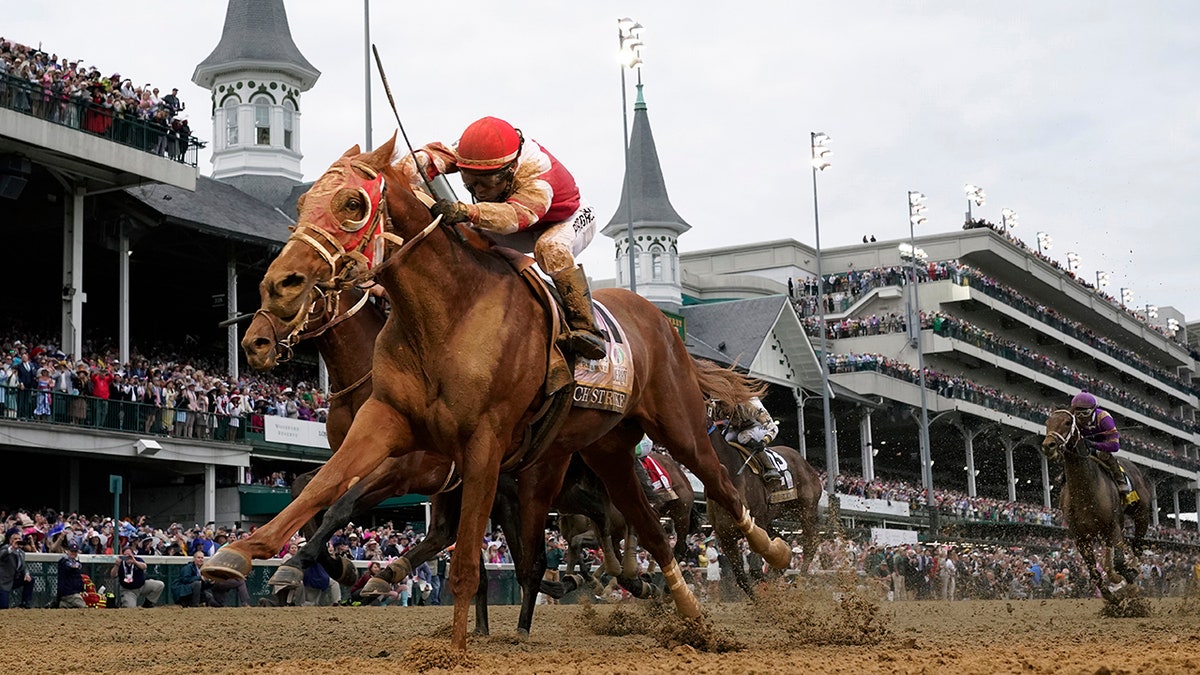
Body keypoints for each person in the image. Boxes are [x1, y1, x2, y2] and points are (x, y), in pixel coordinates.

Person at [401, 116, 606, 360]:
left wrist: (467, 210)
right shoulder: (477, 152)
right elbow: (437, 155)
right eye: (471, 183)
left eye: (484, 183)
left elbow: (515, 216)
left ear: (508, 171)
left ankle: (587, 328)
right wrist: (407, 170)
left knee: (550, 249)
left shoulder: (538, 175)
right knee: (467, 233)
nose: (478, 191)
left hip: (564, 218)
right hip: (518, 217)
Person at [1069, 391, 1133, 500]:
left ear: (1093, 410)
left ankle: (1120, 479)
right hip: (1084, 445)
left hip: (1102, 445)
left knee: (1102, 454)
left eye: (1085, 413)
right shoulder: (1073, 420)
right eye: (1078, 413)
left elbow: (1115, 446)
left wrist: (1093, 444)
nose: (1081, 417)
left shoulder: (1104, 418)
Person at [724, 396, 783, 490]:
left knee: (742, 437)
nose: (721, 408)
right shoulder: (717, 405)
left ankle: (770, 468)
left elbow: (773, 428)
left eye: (723, 404)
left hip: (758, 426)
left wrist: (764, 441)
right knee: (726, 437)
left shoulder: (752, 406)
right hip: (738, 427)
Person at [0, 532, 33, 609]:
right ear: (10, 541)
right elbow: (1, 555)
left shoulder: (21, 552)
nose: (18, 540)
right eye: (15, 539)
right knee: (3, 607)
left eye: (19, 539)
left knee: (30, 580)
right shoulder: (5, 548)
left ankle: (25, 604)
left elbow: (23, 566)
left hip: (14, 580)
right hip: (3, 582)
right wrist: (12, 548)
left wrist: (26, 574)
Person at [57, 542, 87, 608]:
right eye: (72, 551)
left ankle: (63, 604)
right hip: (67, 593)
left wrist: (83, 590)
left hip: (74, 593)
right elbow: (70, 566)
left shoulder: (76, 562)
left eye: (75, 551)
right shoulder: (63, 561)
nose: (73, 553)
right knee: (82, 606)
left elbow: (78, 579)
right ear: (67, 551)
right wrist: (76, 565)